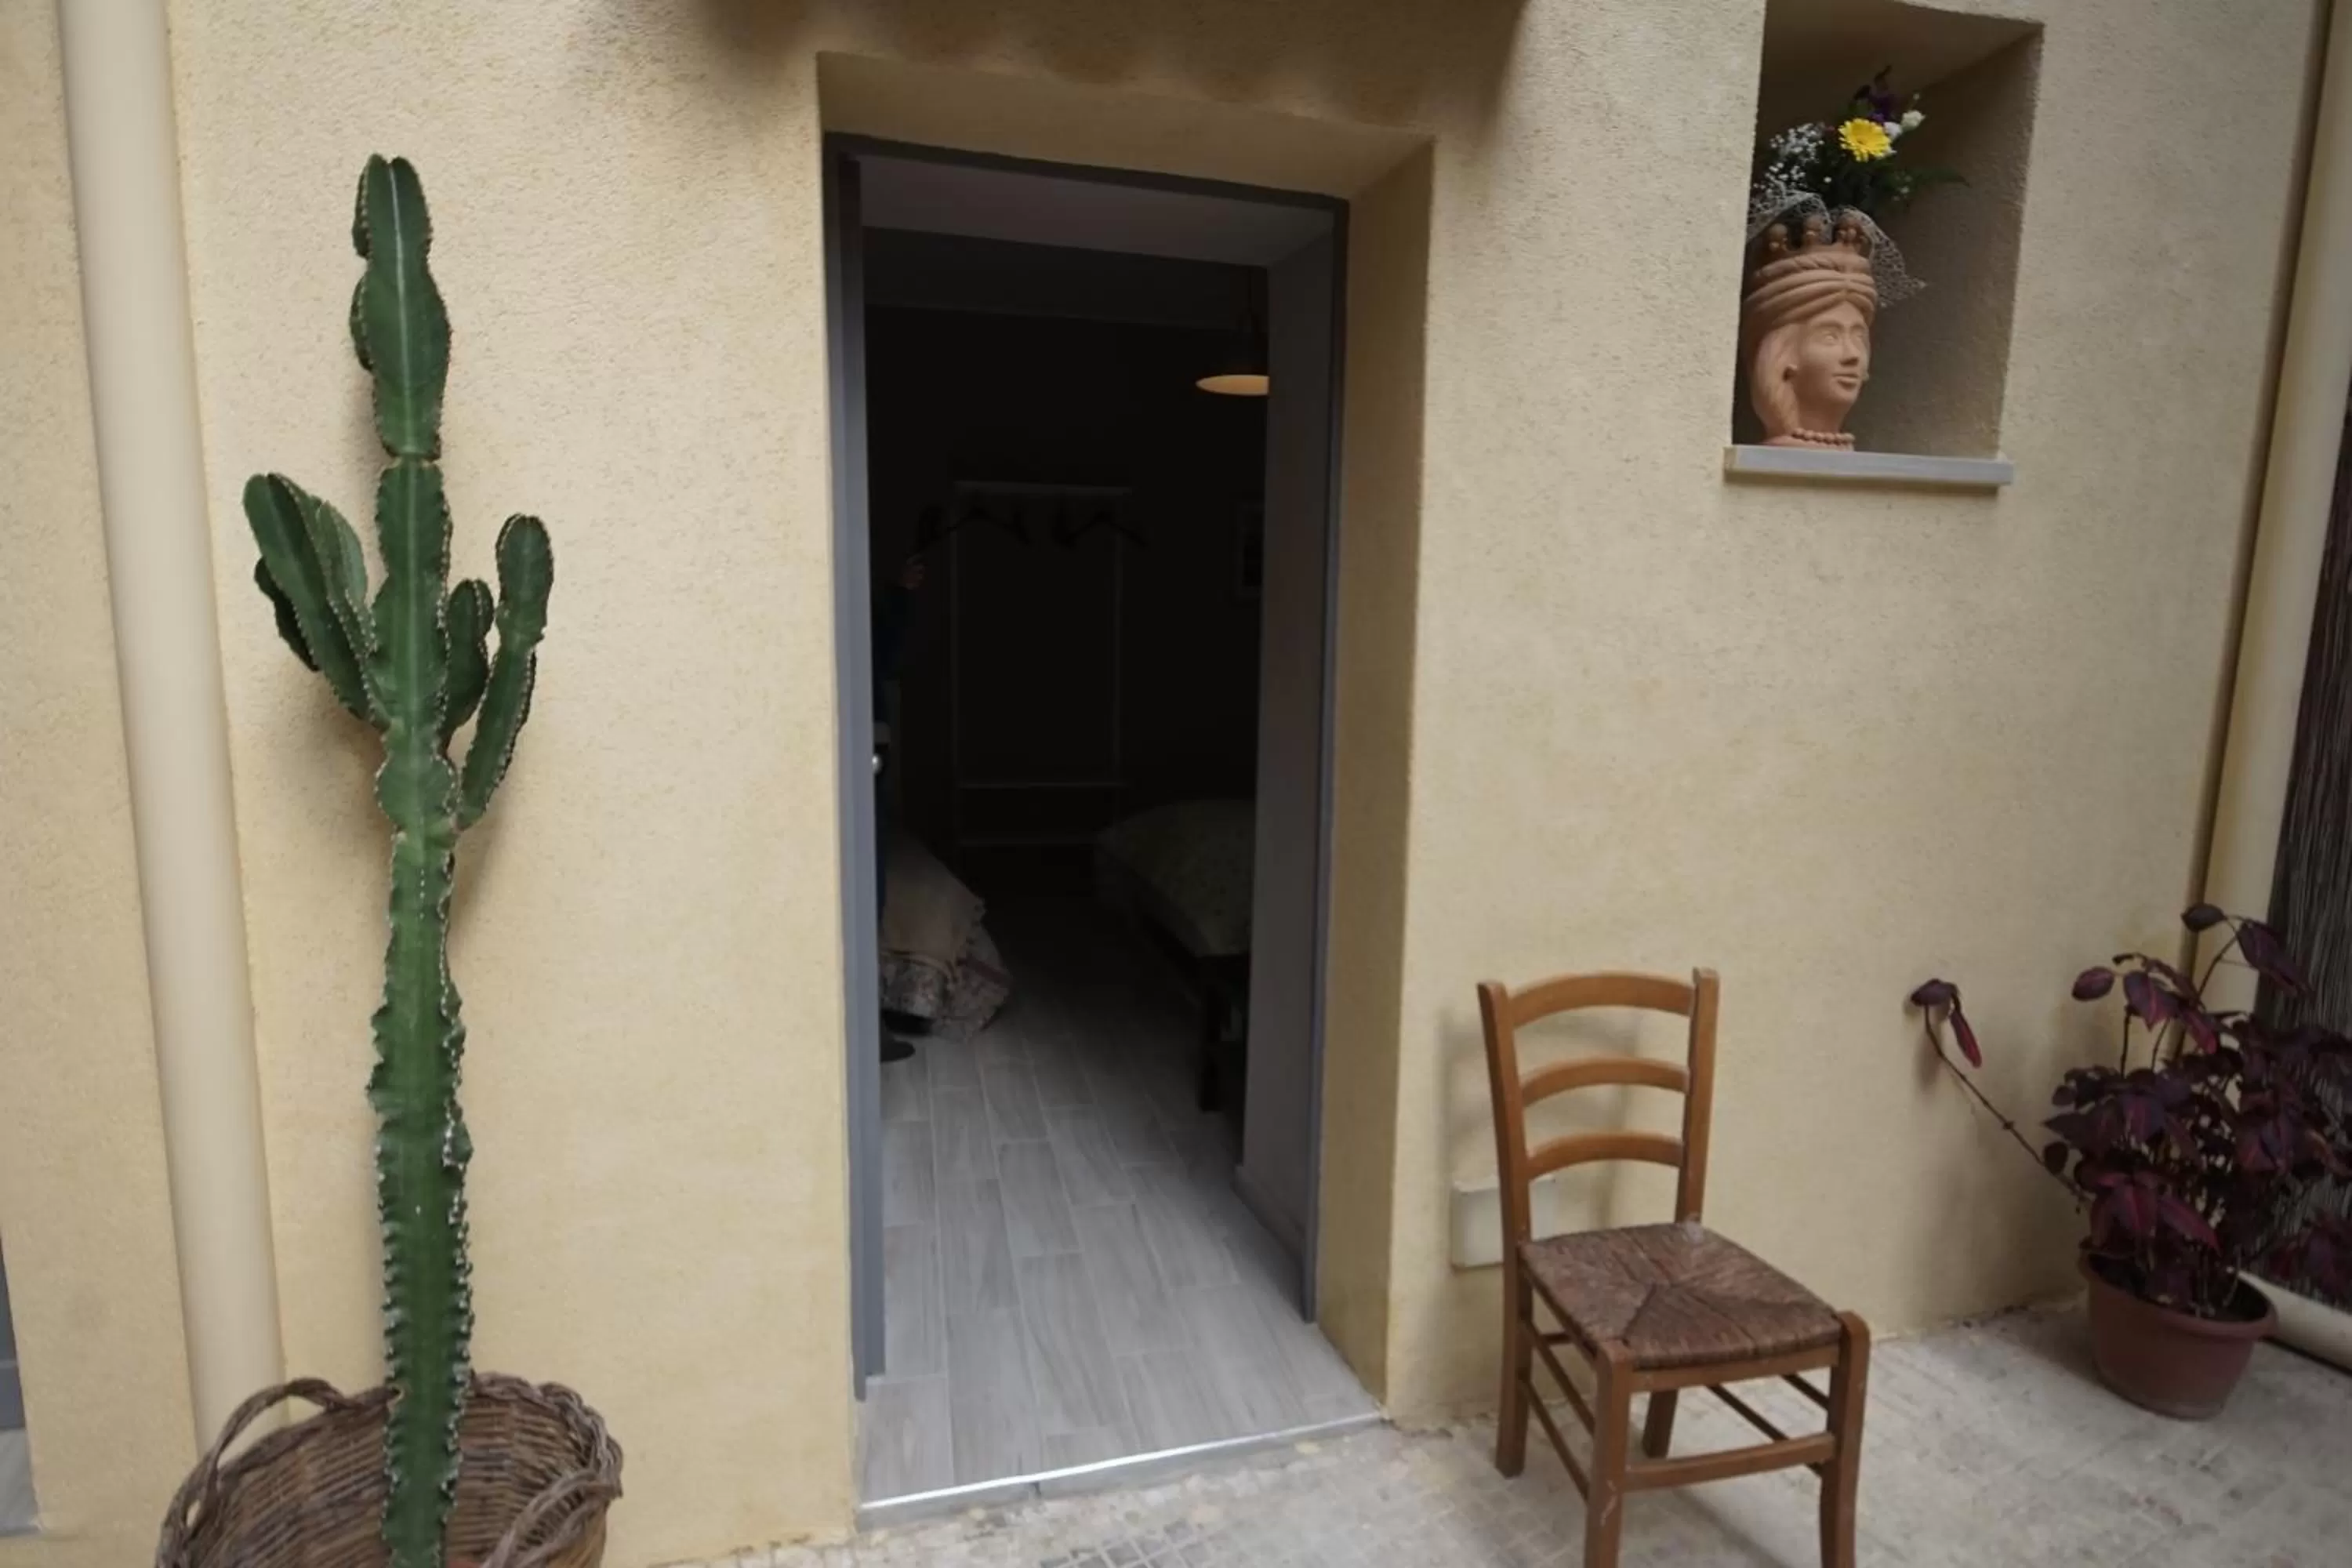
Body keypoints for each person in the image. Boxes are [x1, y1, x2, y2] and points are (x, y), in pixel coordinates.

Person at [874, 553, 926, 1063]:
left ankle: (872, 1020)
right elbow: (882, 660)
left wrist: (900, 596)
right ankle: (869, 1025)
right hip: (864, 750)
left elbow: (885, 661)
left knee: (876, 883)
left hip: (873, 749)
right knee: (868, 887)